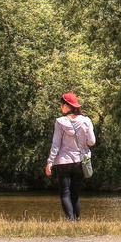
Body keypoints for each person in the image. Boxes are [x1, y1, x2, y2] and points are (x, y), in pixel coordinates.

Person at [44, 91, 96, 221]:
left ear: (67, 106)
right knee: (75, 193)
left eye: (61, 104)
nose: (61, 106)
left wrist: (50, 163)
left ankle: (70, 220)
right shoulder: (86, 120)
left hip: (63, 161)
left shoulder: (60, 122)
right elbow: (92, 142)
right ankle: (76, 220)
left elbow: (55, 144)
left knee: (65, 193)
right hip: (80, 161)